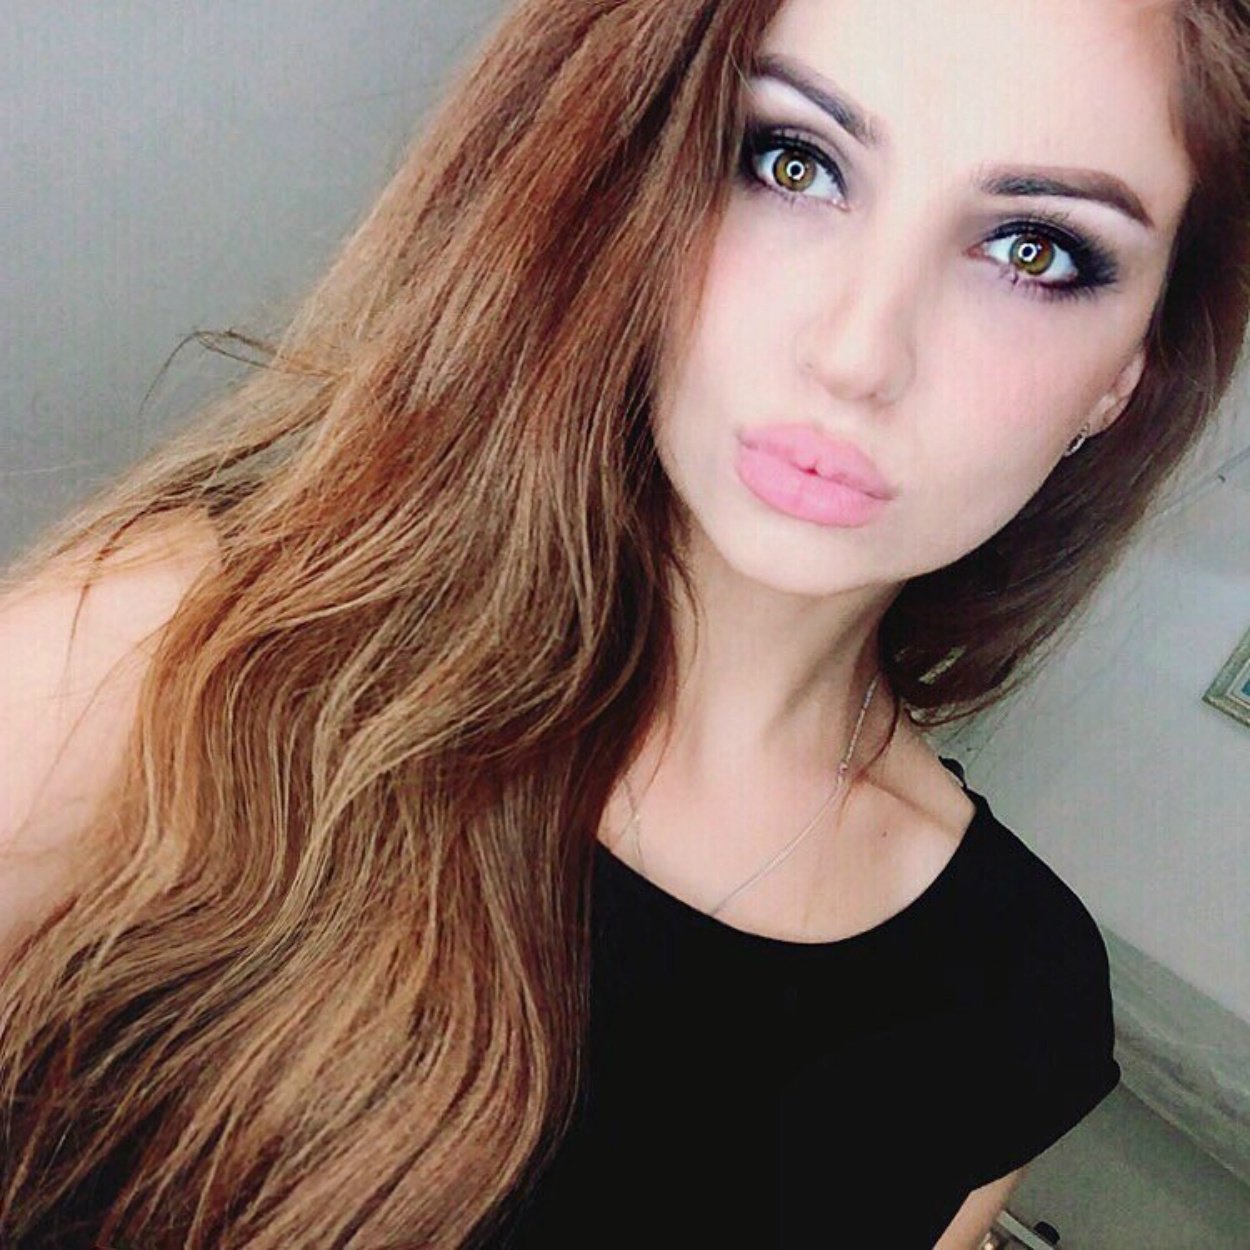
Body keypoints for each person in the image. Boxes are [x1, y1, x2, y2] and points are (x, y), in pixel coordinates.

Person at [0, 0, 1246, 1246]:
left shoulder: (1015, 1001)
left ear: (1122, 375)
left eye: (1031, 250)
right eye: (790, 162)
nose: (856, 353)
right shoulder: (178, 643)